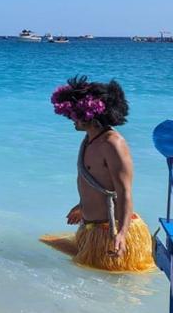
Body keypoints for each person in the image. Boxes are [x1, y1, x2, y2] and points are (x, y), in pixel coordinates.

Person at [50, 76, 153, 272]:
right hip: (91, 230)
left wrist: (121, 233)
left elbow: (124, 192)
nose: (71, 119)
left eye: (74, 114)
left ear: (89, 114)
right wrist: (82, 206)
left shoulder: (113, 143)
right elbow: (97, 182)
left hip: (112, 232)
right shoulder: (89, 140)